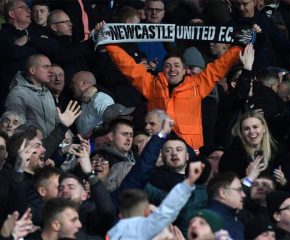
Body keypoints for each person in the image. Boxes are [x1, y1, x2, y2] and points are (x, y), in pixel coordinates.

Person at [105, 29, 245, 151]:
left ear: (184, 70)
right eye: (167, 66)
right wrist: (108, 44)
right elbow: (129, 67)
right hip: (160, 149)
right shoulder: (152, 85)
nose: (172, 69)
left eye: (177, 65)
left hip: (190, 151)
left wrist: (239, 45)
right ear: (163, 69)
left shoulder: (197, 85)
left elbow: (220, 66)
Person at [106, 161, 205, 239]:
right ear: (146, 213)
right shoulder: (145, 227)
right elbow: (168, 209)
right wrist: (188, 182)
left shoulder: (111, 232)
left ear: (120, 215)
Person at [5, 54, 57, 137]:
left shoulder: (47, 92)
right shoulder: (18, 93)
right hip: (30, 147)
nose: (51, 71)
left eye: (50, 66)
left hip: (51, 145)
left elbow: (55, 120)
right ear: (32, 70)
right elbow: (15, 127)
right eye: (46, 67)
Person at [70, 71, 114, 136]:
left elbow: (113, 121)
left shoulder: (100, 97)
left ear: (83, 83)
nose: (70, 86)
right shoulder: (81, 102)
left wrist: (92, 135)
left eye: (73, 83)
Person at [206, 172, 246, 239]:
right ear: (223, 193)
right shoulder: (209, 220)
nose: (243, 195)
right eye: (239, 190)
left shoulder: (233, 218)